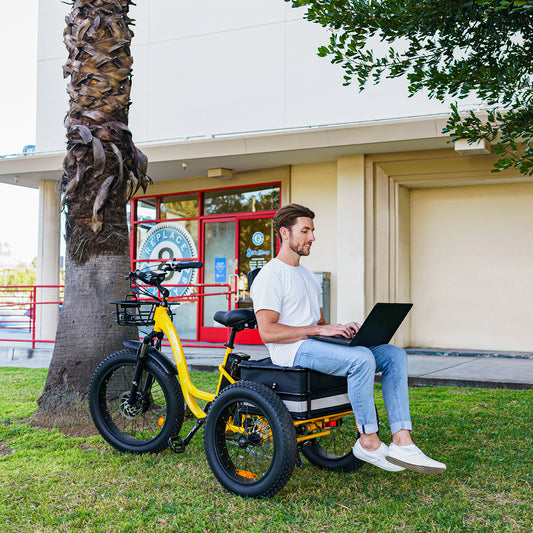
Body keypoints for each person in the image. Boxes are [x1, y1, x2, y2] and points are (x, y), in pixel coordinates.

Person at [250, 203, 446, 474]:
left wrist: (339, 329)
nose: (312, 237)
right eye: (305, 231)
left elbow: (317, 324)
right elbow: (268, 332)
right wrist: (319, 331)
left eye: (313, 230)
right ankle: (367, 441)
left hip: (312, 343)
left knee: (393, 355)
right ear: (285, 233)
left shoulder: (307, 276)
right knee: (361, 359)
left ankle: (403, 441)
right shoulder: (270, 276)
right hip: (290, 350)